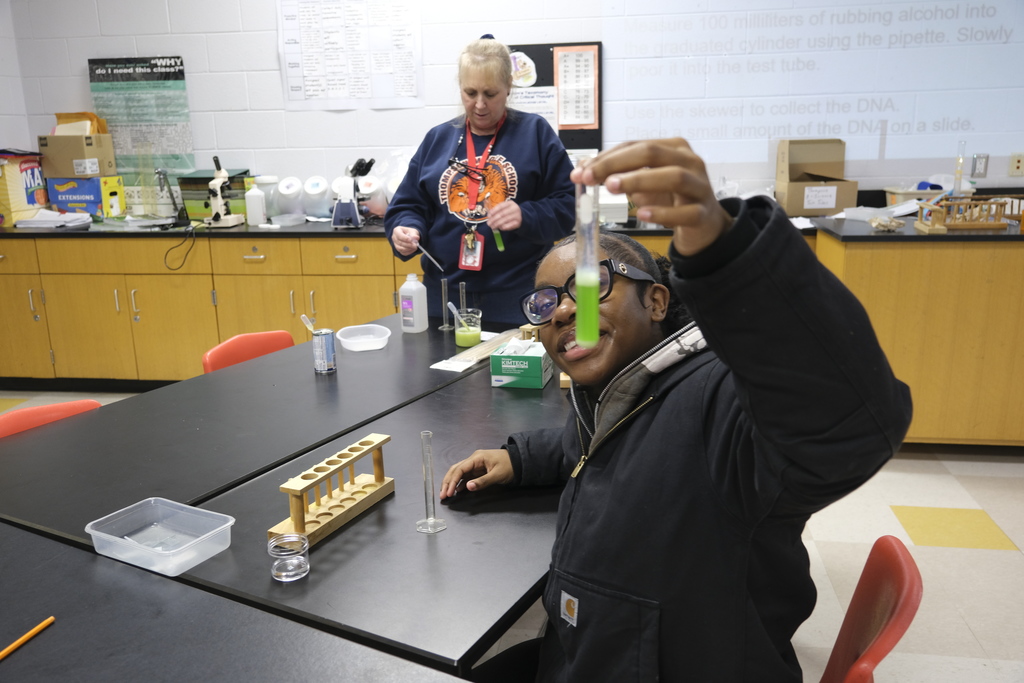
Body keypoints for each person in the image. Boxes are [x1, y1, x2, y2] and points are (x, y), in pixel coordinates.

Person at [440, 138, 913, 682]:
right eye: (546, 302)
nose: (566, 309)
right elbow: (600, 442)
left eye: (591, 286)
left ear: (657, 302)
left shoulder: (721, 401)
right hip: (590, 650)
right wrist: (522, 458)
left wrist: (727, 254)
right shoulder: (617, 393)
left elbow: (845, 425)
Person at [385, 37, 575, 327]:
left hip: (519, 295)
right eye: (470, 92)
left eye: (491, 93)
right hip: (444, 295)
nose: (480, 104)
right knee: (439, 372)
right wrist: (406, 228)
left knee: (515, 372)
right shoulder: (438, 139)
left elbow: (569, 204)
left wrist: (526, 214)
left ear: (509, 87)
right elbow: (409, 205)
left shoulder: (535, 133)